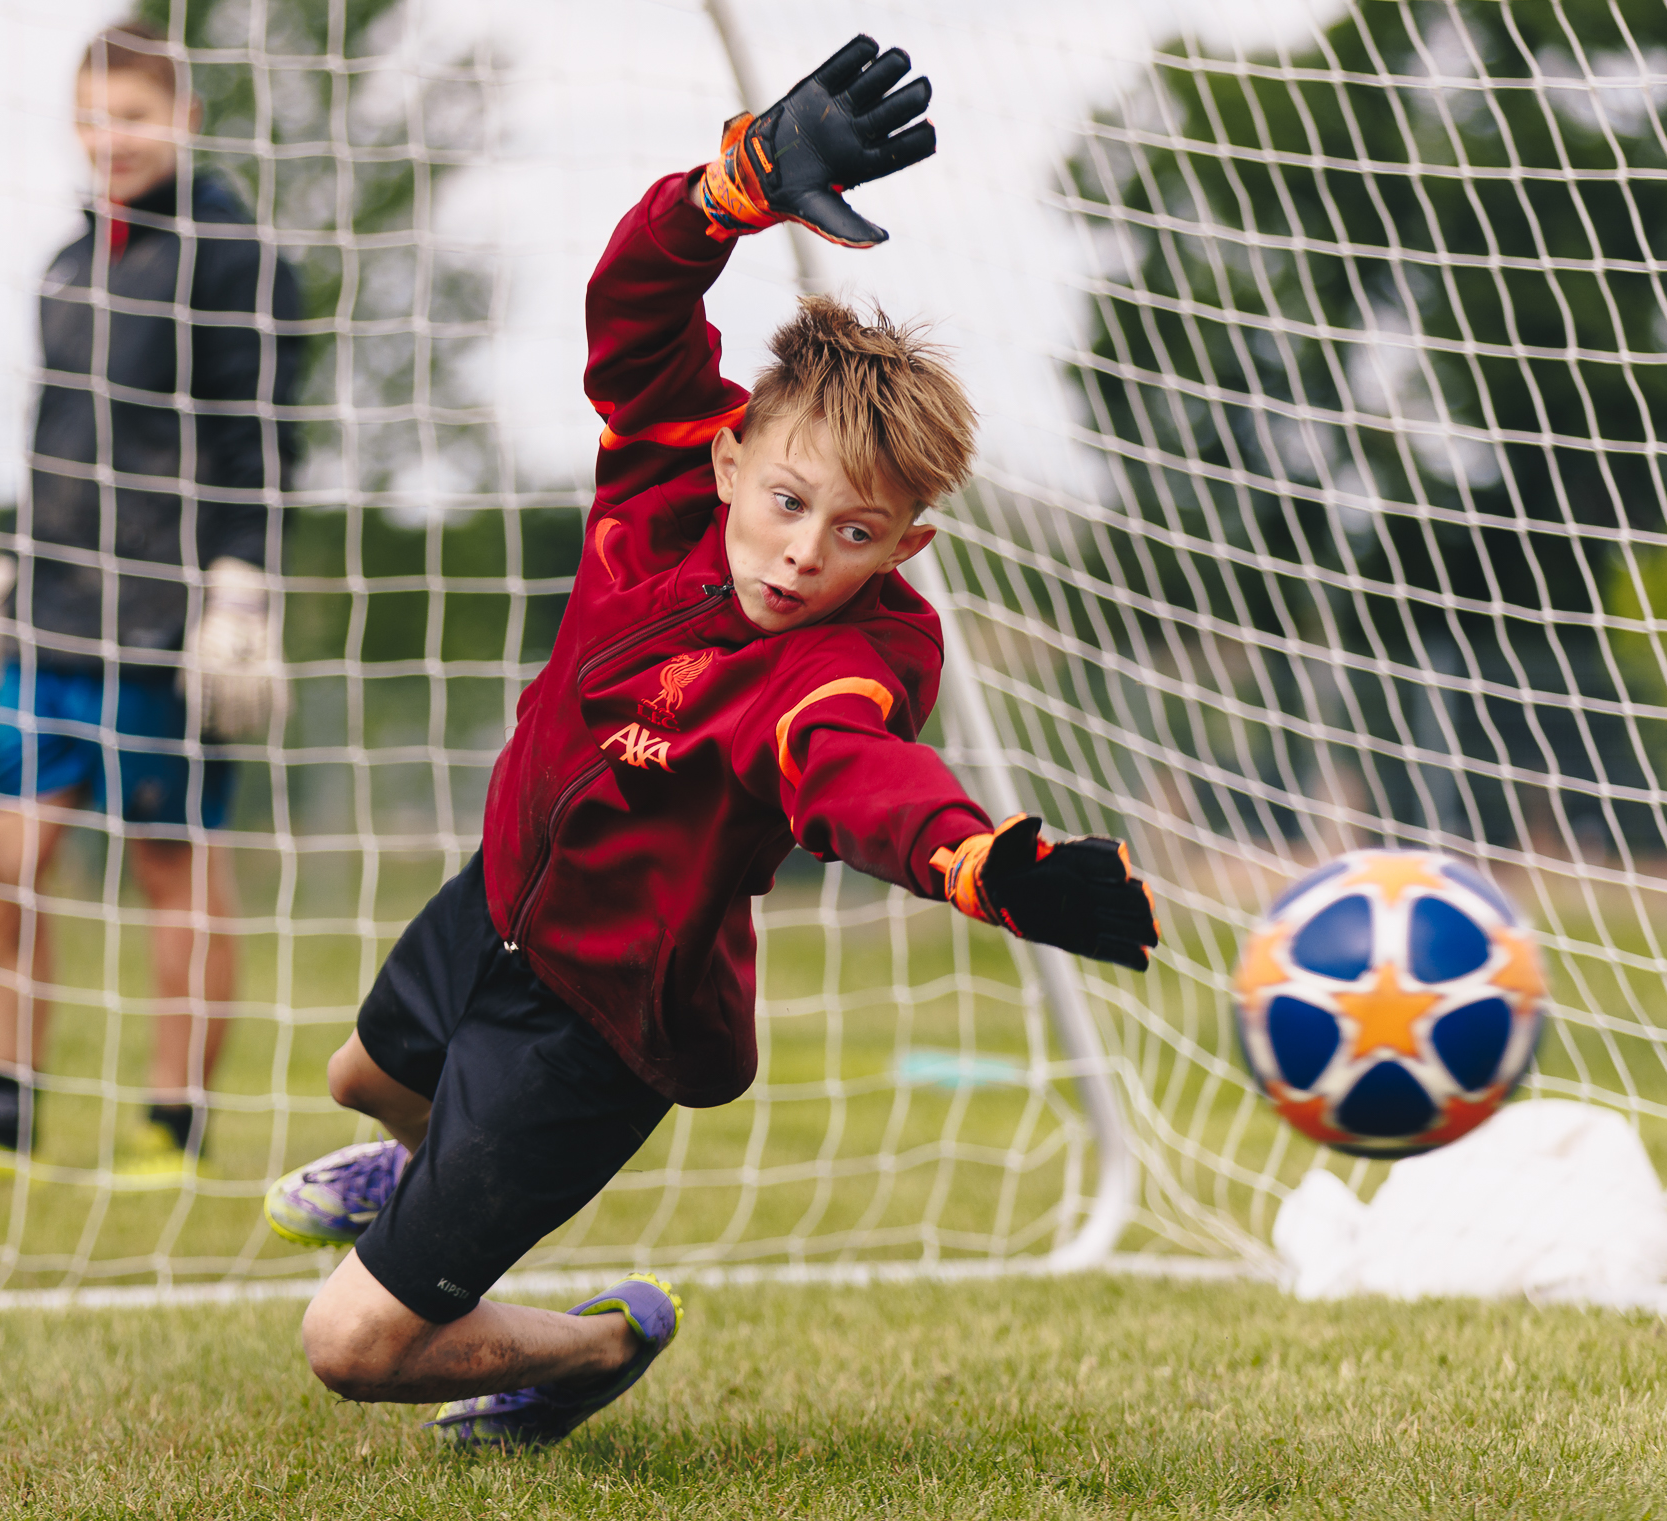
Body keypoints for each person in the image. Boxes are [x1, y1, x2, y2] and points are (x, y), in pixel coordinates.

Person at [261, 36, 1160, 1449]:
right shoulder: (667, 471)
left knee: (351, 1347)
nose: (806, 554)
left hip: (597, 1026)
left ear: (905, 545)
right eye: (790, 502)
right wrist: (734, 187)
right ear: (735, 456)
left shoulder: (844, 663)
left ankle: (593, 1346)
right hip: (495, 910)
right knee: (365, 1077)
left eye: (858, 534)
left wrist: (980, 863)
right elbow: (630, 302)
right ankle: (425, 1186)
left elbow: (857, 776)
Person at [0, 20, 300, 1177]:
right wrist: (7, 566)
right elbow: (53, 437)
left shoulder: (237, 256)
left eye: (137, 116)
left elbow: (263, 438)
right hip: (54, 606)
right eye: (95, 117)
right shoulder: (66, 260)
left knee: (171, 865)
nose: (114, 139)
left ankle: (171, 1128)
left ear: (184, 120)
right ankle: (7, 1112)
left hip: (169, 615)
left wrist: (241, 589)